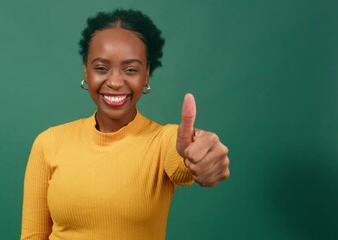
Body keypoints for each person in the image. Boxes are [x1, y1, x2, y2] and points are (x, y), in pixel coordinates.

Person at [21, 8, 230, 240]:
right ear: (86, 71)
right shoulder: (49, 143)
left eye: (131, 69)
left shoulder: (162, 142)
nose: (115, 82)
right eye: (101, 68)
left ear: (146, 75)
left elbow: (183, 158)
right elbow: (33, 236)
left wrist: (200, 158)